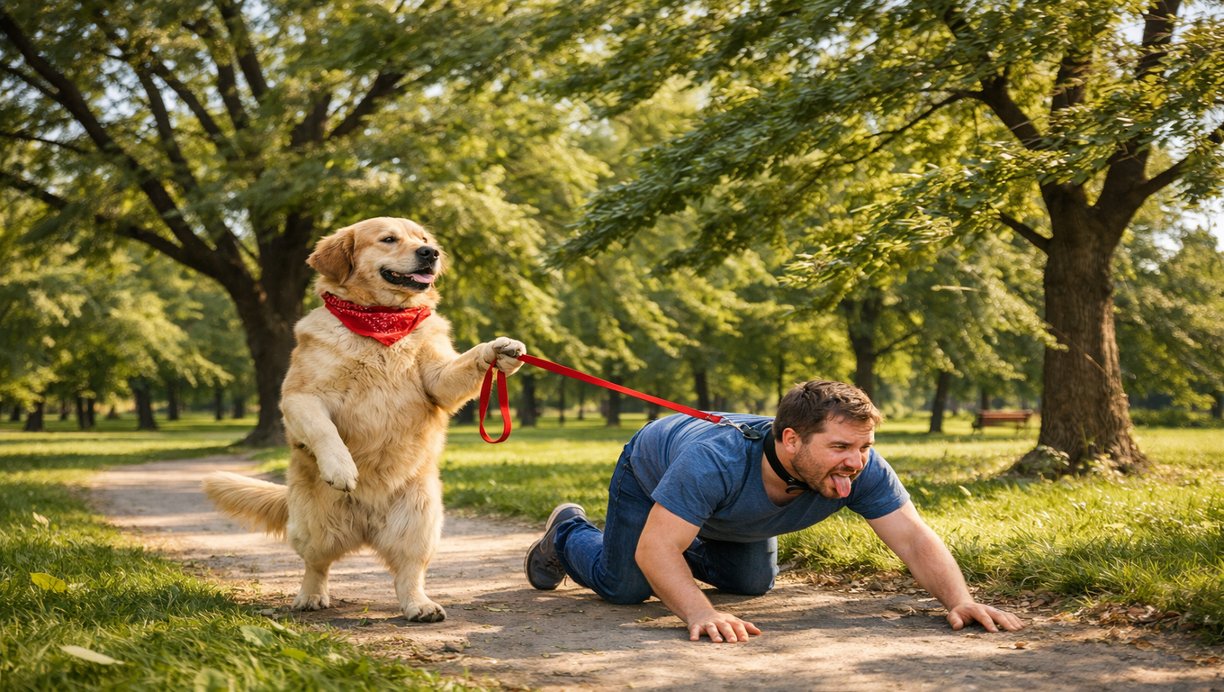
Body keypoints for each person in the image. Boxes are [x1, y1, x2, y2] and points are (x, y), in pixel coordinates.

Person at [524, 379, 1023, 643]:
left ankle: (686, 532)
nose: (857, 460)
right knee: (628, 584)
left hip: (715, 505)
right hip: (651, 467)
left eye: (866, 445)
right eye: (841, 446)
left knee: (750, 585)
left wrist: (958, 601)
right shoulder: (713, 461)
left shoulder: (858, 468)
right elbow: (656, 550)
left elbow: (913, 537)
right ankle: (567, 531)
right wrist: (699, 611)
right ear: (790, 440)